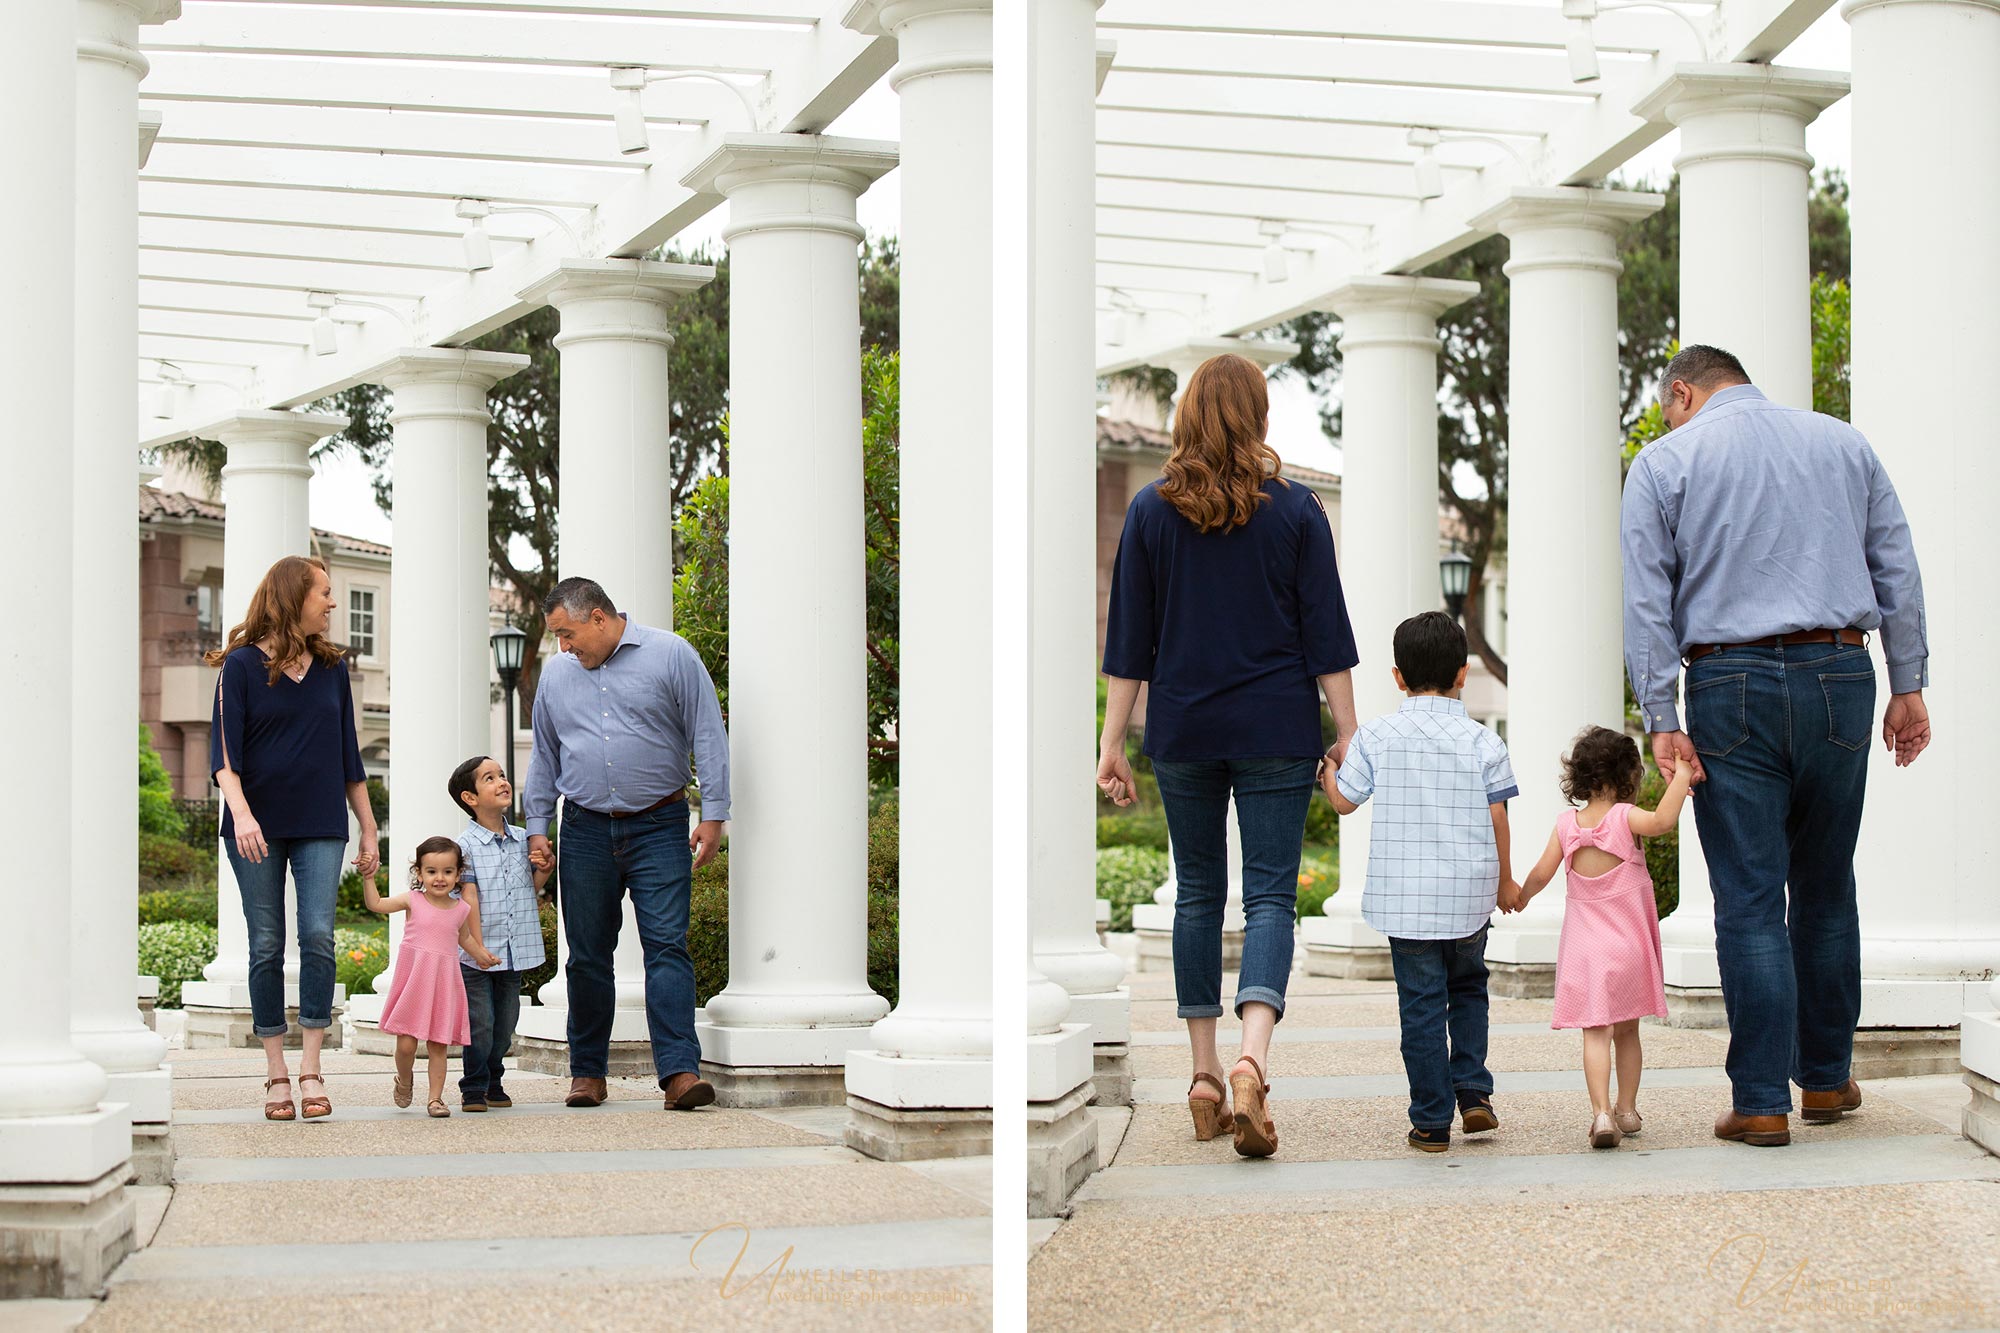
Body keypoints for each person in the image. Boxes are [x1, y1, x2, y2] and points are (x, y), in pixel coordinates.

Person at [1622, 345, 1931, 1148]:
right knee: (1827, 883)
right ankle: (1826, 1081)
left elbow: (1648, 600)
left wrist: (1660, 712)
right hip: (1840, 672)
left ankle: (1761, 1098)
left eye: (1669, 406)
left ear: (1682, 392)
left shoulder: (1663, 464)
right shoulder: (1842, 442)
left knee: (1750, 896)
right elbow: (1896, 564)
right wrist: (1908, 682)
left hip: (1729, 684)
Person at [1098, 353, 1359, 1159]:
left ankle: (1205, 1075)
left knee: (1198, 895)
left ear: (1185, 415)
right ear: (1259, 416)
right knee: (1272, 896)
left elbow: (1129, 640)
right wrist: (1347, 729)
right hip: (1276, 726)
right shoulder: (1298, 511)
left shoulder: (1149, 511)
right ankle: (1253, 1061)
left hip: (1183, 729)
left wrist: (1111, 741)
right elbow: (1327, 634)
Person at [524, 578, 731, 1113]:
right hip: (585, 829)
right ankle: (588, 1073)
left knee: (667, 946)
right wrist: (538, 826)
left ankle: (681, 1074)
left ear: (599, 617)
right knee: (587, 956)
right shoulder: (557, 678)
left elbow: (707, 733)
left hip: (659, 823)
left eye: (567, 634)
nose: (564, 647)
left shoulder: (671, 655)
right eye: (558, 638)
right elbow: (545, 756)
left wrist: (714, 814)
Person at [1328, 612, 1517, 1153]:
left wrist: (1326, 773)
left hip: (1405, 902)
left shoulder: (1377, 737)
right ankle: (1475, 1094)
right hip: (1468, 896)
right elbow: (1498, 815)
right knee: (1469, 990)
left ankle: (1432, 1121)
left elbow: (1345, 801)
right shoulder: (1484, 741)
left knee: (1422, 1007)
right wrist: (1506, 882)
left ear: (1397, 677)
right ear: (1462, 674)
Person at [208, 555, 381, 1122]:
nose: (332, 603)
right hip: (255, 826)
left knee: (319, 937)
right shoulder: (238, 667)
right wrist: (243, 815)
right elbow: (224, 756)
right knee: (264, 943)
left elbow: (348, 755)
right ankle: (275, 1073)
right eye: (325, 593)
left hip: (320, 822)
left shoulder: (332, 668)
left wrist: (369, 824)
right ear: (293, 596)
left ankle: (311, 1069)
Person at [1505, 727, 1690, 1147]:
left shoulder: (1566, 826)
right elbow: (1662, 821)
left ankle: (1601, 1114)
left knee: (1594, 1033)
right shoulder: (1625, 819)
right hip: (1627, 948)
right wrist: (1680, 776)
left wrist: (1521, 897)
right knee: (1627, 1032)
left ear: (1581, 778)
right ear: (1626, 776)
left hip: (1585, 951)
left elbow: (1540, 873)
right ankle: (1627, 1108)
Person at [365, 836, 501, 1117]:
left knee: (438, 1045)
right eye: (432, 872)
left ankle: (435, 1099)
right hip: (415, 983)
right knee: (405, 1045)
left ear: (457, 874)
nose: (440, 878)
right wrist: (369, 877)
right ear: (419, 873)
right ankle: (404, 1079)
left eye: (447, 872)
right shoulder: (412, 900)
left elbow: (464, 938)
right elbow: (376, 904)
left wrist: (481, 955)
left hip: (442, 984)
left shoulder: (461, 908)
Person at [447, 756, 554, 1112]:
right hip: (476, 954)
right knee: (481, 1023)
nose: (502, 782)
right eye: (489, 778)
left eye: (502, 775)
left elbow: (530, 888)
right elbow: (468, 898)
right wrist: (475, 947)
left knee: (506, 1023)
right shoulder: (464, 847)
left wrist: (543, 870)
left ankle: (495, 1077)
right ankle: (473, 1086)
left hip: (514, 948)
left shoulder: (523, 839)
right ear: (470, 798)